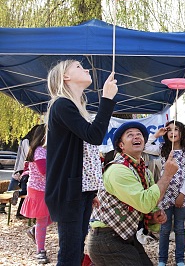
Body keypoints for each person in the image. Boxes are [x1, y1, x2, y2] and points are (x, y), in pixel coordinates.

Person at [45, 60, 117, 266]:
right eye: (78, 66)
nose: (85, 69)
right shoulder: (62, 104)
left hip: (81, 190)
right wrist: (107, 99)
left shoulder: (75, 108)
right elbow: (94, 136)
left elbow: (85, 154)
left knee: (76, 251)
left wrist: (91, 190)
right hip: (70, 192)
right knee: (70, 253)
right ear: (65, 77)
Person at [86, 121, 179, 266]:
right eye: (130, 135)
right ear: (121, 146)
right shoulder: (118, 170)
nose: (136, 137)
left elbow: (150, 203)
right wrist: (167, 175)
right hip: (106, 240)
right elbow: (145, 202)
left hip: (124, 236)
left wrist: (154, 216)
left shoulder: (144, 170)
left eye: (139, 134)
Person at [144, 120, 185, 266]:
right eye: (169, 130)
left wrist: (182, 194)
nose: (172, 132)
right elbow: (146, 147)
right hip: (165, 194)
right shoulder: (163, 148)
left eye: (176, 129)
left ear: (181, 132)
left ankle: (180, 259)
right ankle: (162, 260)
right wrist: (156, 134)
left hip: (180, 195)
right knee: (164, 229)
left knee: (179, 228)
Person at [20, 124, 52, 264]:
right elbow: (44, 170)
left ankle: (35, 231)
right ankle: (40, 251)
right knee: (43, 220)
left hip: (44, 189)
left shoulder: (44, 150)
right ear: (44, 136)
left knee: (53, 216)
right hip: (39, 190)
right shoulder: (39, 151)